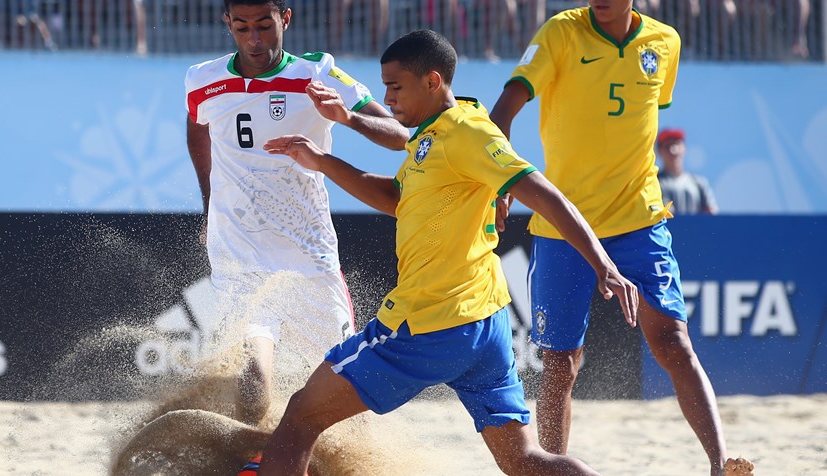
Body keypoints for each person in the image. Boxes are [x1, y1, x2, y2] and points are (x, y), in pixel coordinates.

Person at [257, 29, 640, 476]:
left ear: (433, 81)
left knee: (301, 416)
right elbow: (397, 199)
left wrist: (604, 264)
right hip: (485, 325)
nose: (387, 97)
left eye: (395, 86)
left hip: (430, 322)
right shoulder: (433, 134)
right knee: (524, 460)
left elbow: (547, 195)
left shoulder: (466, 133)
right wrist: (323, 161)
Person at [487, 0, 751, 475]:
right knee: (561, 365)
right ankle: (555, 468)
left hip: (640, 221)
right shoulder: (560, 32)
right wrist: (503, 181)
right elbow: (502, 111)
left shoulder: (664, 42)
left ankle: (722, 462)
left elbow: (641, 121)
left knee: (674, 341)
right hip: (564, 226)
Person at [184, 0, 408, 427]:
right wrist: (210, 203)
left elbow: (399, 136)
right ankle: (252, 461)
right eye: (242, 27)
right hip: (238, 246)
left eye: (265, 25)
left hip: (307, 250)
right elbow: (197, 132)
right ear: (227, 22)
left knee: (345, 383)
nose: (254, 39)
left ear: (285, 18)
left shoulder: (318, 73)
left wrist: (346, 118)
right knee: (253, 370)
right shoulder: (201, 80)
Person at [656, 127, 718, 215]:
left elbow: (712, 213)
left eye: (677, 144)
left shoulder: (699, 182)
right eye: (667, 146)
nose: (673, 150)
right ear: (659, 151)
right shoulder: (655, 182)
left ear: (684, 148)